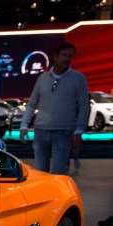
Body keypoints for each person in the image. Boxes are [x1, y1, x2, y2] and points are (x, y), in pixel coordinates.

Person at [18, 42, 89, 174]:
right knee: (40, 173)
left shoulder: (78, 78)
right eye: (64, 55)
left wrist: (79, 130)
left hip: (64, 132)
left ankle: (57, 195)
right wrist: (23, 126)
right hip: (40, 131)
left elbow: (84, 105)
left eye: (70, 55)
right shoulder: (43, 78)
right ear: (55, 56)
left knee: (58, 173)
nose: (67, 58)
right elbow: (32, 103)